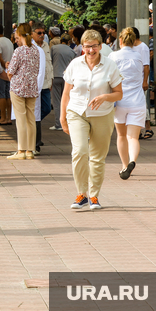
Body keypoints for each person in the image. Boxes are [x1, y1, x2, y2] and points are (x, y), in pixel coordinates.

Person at [61, 29, 123, 210]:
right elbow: (66, 93)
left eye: (94, 46)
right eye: (87, 46)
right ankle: (81, 194)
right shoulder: (75, 64)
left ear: (101, 46)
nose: (90, 50)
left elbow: (119, 93)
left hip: (102, 114)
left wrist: (105, 97)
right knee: (79, 151)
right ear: (82, 47)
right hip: (77, 112)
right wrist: (62, 117)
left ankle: (94, 195)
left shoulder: (110, 65)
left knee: (97, 157)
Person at [109, 28, 145, 180]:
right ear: (134, 41)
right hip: (138, 101)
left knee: (121, 135)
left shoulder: (113, 56)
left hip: (120, 100)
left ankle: (124, 166)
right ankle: (132, 161)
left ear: (121, 40)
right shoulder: (139, 56)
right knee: (133, 138)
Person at [5, 23, 40, 160]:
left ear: (19, 35)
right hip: (32, 87)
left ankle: (21, 150)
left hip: (18, 87)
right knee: (31, 119)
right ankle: (30, 150)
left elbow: (10, 72)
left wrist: (9, 69)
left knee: (21, 119)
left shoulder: (18, 51)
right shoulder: (36, 50)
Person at [32, 24, 53, 153]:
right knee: (36, 113)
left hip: (45, 84)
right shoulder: (30, 47)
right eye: (39, 33)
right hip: (35, 85)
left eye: (43, 33)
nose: (41, 35)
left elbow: (49, 64)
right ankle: (36, 141)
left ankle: (35, 132)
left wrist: (51, 80)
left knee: (45, 109)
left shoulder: (46, 46)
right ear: (33, 34)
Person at [50, 34, 76, 131]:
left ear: (60, 40)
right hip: (68, 79)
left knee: (57, 102)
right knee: (67, 100)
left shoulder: (54, 48)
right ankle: (68, 122)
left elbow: (50, 61)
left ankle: (58, 124)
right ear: (69, 41)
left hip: (55, 76)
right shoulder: (72, 51)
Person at [132, 28, 153, 139]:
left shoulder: (143, 47)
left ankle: (147, 127)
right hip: (134, 81)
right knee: (138, 104)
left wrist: (145, 81)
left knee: (141, 104)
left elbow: (146, 65)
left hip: (141, 81)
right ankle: (140, 129)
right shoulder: (132, 47)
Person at [0, 23, 13, 126]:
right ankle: (9, 117)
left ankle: (3, 117)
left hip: (2, 71)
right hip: (10, 70)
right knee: (8, 95)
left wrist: (3, 67)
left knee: (2, 94)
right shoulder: (8, 41)